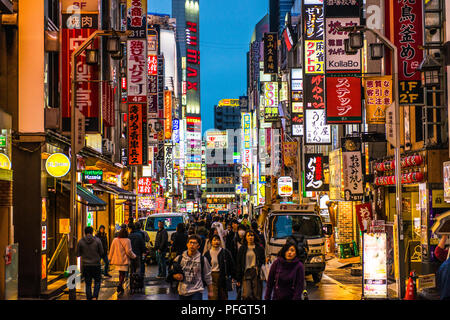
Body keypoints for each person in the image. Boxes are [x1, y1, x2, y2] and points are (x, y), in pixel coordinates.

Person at [172, 235, 214, 300]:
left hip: (197, 291)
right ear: (187, 244)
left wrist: (210, 291)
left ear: (198, 246)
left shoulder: (202, 259)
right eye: (190, 242)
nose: (192, 245)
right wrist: (175, 276)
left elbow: (207, 276)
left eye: (194, 243)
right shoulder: (179, 258)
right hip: (183, 291)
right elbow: (171, 273)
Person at [235, 230, 265, 300]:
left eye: (252, 235)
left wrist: (260, 265)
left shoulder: (259, 248)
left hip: (256, 273)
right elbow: (239, 263)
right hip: (246, 272)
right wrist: (238, 278)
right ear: (245, 237)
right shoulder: (242, 248)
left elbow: (262, 260)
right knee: (246, 294)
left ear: (254, 237)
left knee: (256, 295)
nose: (250, 237)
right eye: (248, 236)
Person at [76, 226, 104, 300]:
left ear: (85, 232)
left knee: (88, 283)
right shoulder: (98, 240)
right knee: (97, 281)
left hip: (85, 265)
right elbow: (102, 252)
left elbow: (77, 254)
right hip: (96, 264)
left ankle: (89, 298)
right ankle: (95, 296)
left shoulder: (81, 241)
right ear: (92, 232)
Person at [204, 234, 235, 300]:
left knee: (223, 296)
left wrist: (232, 276)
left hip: (222, 277)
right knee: (213, 297)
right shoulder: (207, 254)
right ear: (211, 242)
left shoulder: (225, 252)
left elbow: (231, 265)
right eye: (214, 240)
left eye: (218, 240)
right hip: (211, 276)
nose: (216, 242)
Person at [109, 226, 136, 294]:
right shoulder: (127, 240)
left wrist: (109, 259)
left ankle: (120, 286)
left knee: (120, 273)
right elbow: (128, 251)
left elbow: (111, 250)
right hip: (124, 260)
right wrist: (134, 256)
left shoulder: (115, 240)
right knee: (123, 274)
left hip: (117, 260)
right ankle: (120, 285)